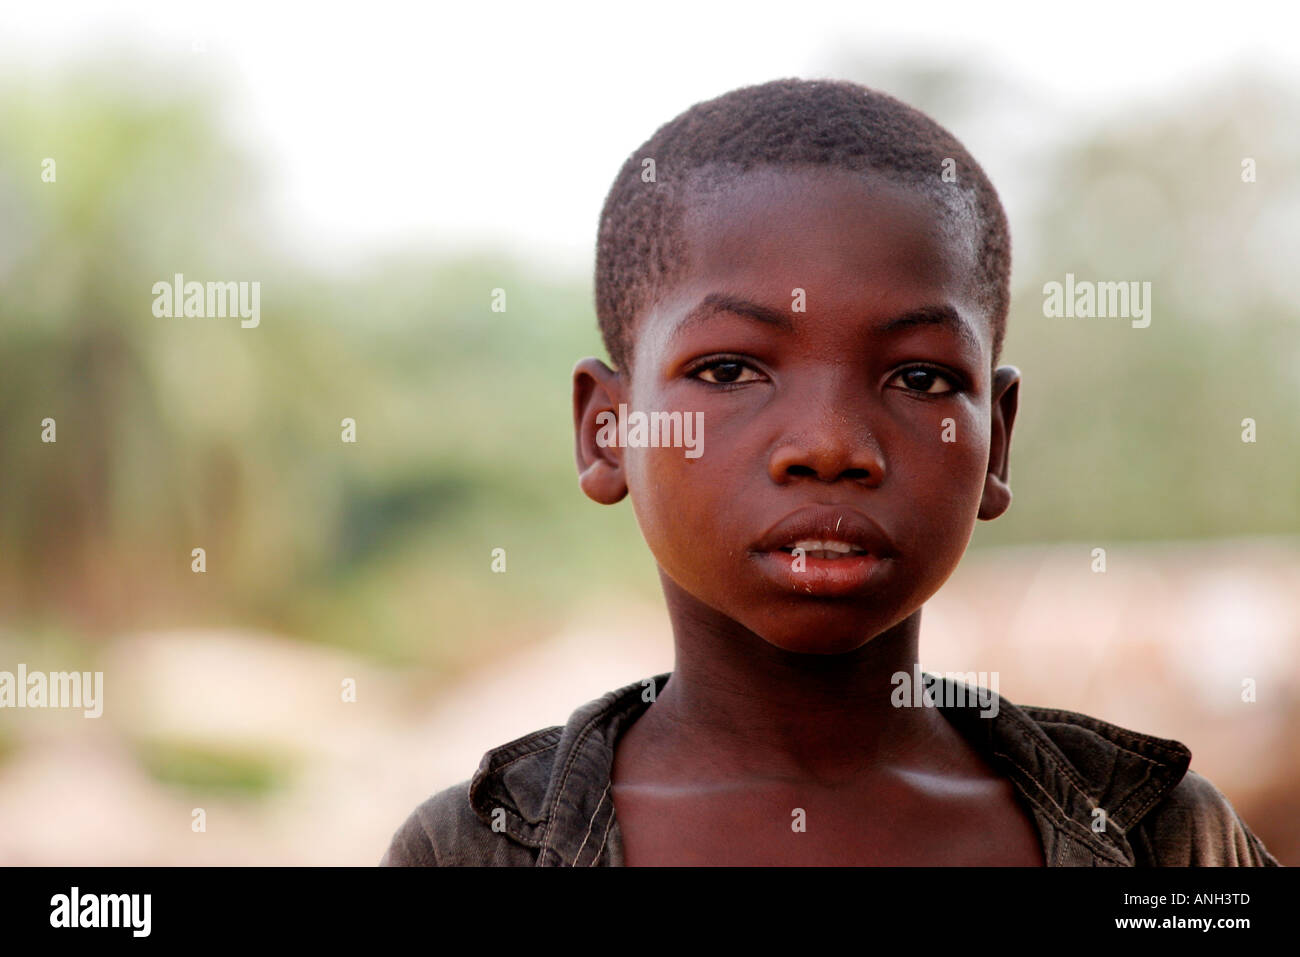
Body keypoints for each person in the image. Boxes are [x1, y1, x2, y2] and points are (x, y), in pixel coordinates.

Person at [381, 78, 1279, 866]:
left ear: (996, 442)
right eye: (730, 370)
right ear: (606, 428)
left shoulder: (1163, 845)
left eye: (919, 377)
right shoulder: (478, 850)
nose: (832, 445)